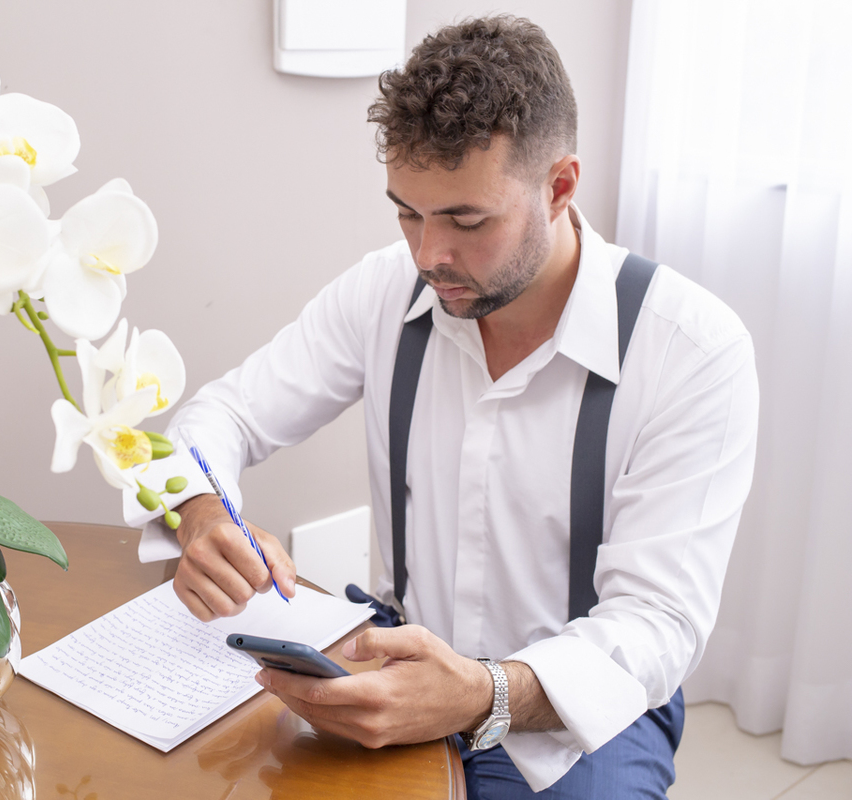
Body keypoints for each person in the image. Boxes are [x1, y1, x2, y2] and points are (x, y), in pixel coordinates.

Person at [123, 15, 758, 797]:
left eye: (465, 220)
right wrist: (202, 514)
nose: (429, 256)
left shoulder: (692, 351)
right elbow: (226, 414)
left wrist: (481, 692)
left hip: (579, 714)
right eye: (407, 212)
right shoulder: (387, 288)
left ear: (559, 187)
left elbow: (658, 626)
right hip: (391, 656)